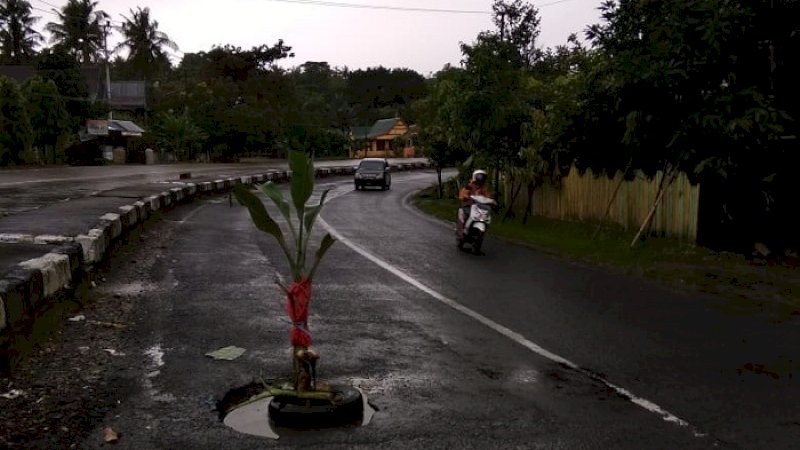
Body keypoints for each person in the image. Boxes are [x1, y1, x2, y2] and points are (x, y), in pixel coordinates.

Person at [456, 169, 494, 239]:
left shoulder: (483, 189)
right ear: (475, 177)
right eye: (479, 176)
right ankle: (462, 231)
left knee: (485, 216)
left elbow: (488, 196)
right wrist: (465, 196)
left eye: (482, 177)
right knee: (466, 215)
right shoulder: (469, 186)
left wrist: (492, 201)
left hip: (479, 207)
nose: (481, 178)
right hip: (468, 205)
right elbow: (463, 193)